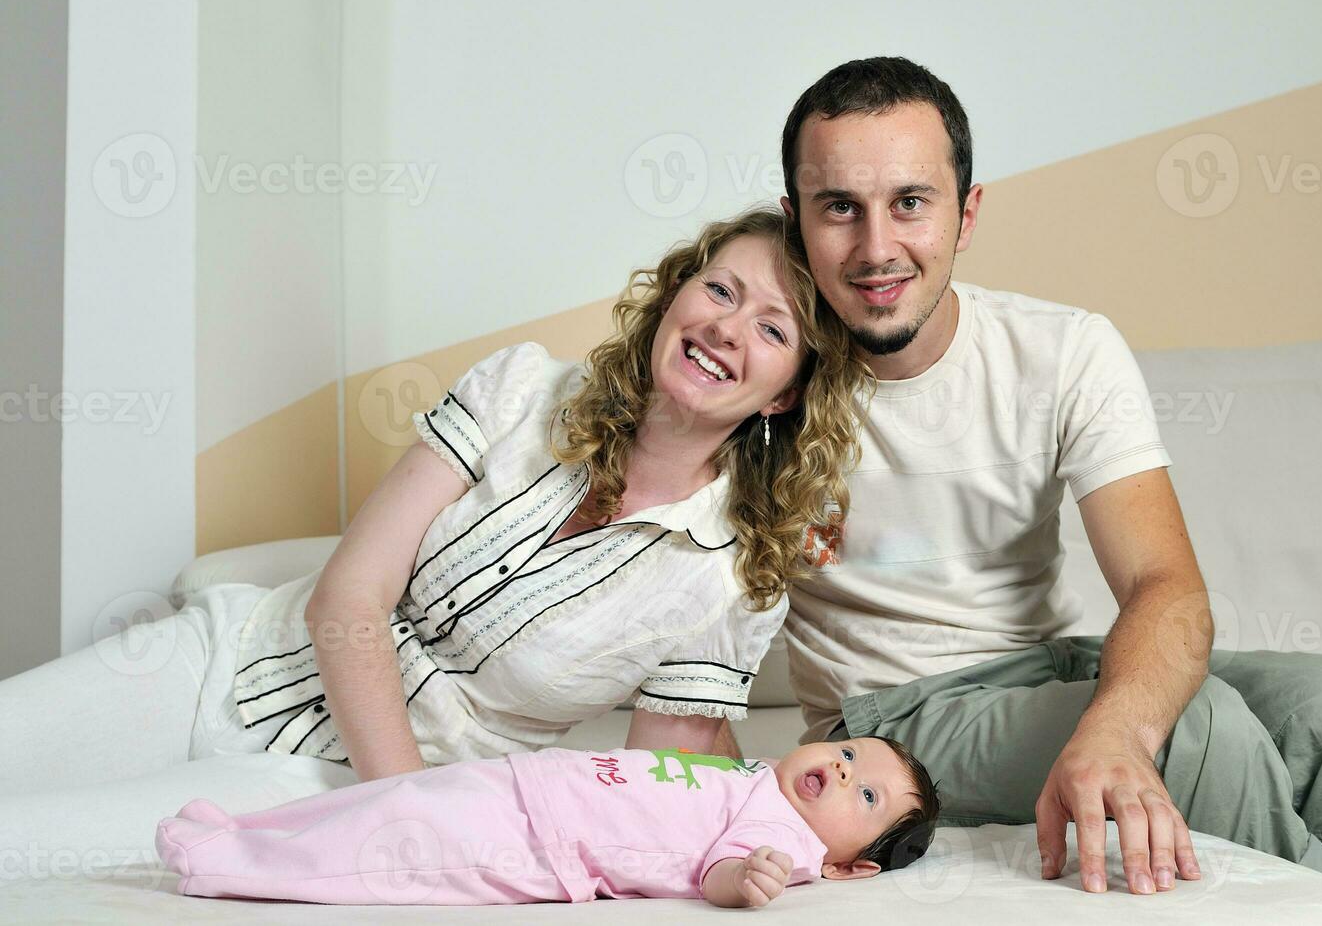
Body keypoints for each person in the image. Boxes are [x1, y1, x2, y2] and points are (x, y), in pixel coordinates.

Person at [750, 56, 1322, 909]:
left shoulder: (1064, 349)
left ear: (966, 213)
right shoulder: (761, 370)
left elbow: (1166, 587)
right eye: (839, 209)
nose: (877, 247)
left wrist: (1114, 726)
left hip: (1041, 665)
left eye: (911, 202)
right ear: (795, 223)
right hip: (889, 718)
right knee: (1203, 734)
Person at [0, 207, 868, 818]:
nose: (727, 328)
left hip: (329, 787)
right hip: (225, 658)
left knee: (28, 852)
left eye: (773, 328)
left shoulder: (733, 581)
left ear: (786, 395)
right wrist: (406, 809)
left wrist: (759, 826)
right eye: (720, 291)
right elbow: (346, 595)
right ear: (677, 296)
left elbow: (639, 789)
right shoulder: (523, 388)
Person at [154, 737, 940, 907]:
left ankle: (227, 867)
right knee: (385, 801)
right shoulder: (752, 772)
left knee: (393, 848)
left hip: (537, 843)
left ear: (849, 866)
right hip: (529, 782)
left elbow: (724, 867)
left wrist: (741, 880)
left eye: (863, 795)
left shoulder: (791, 843)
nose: (841, 770)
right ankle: (247, 825)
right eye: (846, 751)